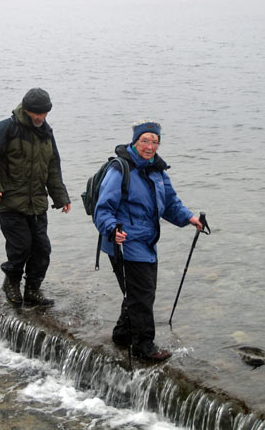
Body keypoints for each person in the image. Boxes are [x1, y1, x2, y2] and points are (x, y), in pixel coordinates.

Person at [94, 120, 202, 362]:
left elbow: (170, 204)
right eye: (145, 140)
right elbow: (103, 209)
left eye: (155, 141)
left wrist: (190, 218)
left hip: (146, 242)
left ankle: (122, 334)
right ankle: (144, 346)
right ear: (135, 141)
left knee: (137, 292)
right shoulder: (119, 170)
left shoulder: (158, 171)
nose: (150, 146)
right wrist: (112, 230)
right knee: (142, 294)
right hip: (124, 243)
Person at [0, 88, 71, 308]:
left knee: (42, 249)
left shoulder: (47, 133)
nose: (41, 117)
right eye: (37, 113)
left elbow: (53, 167)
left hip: (37, 203)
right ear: (26, 110)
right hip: (9, 202)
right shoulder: (8, 128)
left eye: (45, 113)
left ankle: (33, 290)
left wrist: (61, 197)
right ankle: (11, 283)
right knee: (21, 247)